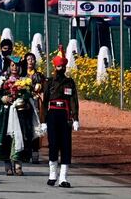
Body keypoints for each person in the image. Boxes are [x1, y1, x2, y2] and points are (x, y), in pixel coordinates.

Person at [0, 57, 41, 176]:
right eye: (12, 65)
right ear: (8, 67)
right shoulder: (2, 80)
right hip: (5, 115)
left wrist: (22, 99)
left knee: (20, 137)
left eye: (16, 65)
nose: (14, 68)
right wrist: (3, 98)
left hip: (20, 115)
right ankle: (7, 164)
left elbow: (29, 96)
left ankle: (18, 165)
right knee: (5, 138)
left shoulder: (25, 81)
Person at [40, 45, 80, 188]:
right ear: (54, 66)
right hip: (52, 115)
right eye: (58, 66)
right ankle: (52, 175)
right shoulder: (49, 82)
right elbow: (44, 103)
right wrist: (43, 121)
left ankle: (63, 177)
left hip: (65, 115)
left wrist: (75, 118)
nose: (60, 68)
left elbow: (73, 100)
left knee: (65, 145)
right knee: (53, 145)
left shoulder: (69, 82)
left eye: (62, 66)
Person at [21, 52, 45, 163]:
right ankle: (25, 151)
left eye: (32, 59)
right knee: (25, 127)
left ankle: (35, 152)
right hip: (24, 103)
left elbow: (44, 88)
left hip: (36, 103)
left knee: (36, 126)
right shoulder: (21, 74)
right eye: (28, 59)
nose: (30, 61)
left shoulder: (39, 75)